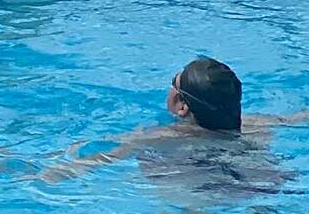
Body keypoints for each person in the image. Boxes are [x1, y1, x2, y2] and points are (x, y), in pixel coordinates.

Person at [40, 56, 309, 185]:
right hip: (263, 176)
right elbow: (300, 118)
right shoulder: (259, 123)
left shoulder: (159, 137)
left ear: (182, 106)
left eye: (173, 84)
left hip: (203, 189)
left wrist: (39, 175)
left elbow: (96, 159)